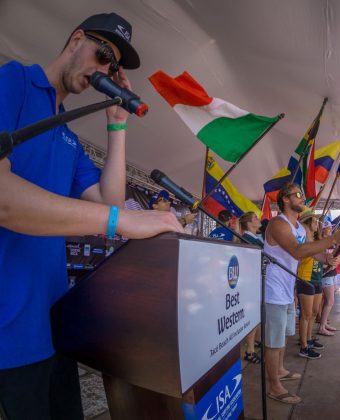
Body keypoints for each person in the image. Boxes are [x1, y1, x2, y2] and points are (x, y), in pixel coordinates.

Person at [0, 13, 183, 420]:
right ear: (75, 39)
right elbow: (4, 200)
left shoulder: (68, 136)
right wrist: (123, 223)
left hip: (54, 326)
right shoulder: (12, 80)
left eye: (112, 67)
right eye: (102, 56)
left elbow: (107, 200)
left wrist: (117, 126)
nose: (104, 70)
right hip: (8, 330)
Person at [262, 183, 340, 404]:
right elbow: (297, 251)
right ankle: (274, 386)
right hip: (272, 289)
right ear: (285, 199)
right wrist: (332, 239)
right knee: (273, 341)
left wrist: (328, 258)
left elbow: (312, 252)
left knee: (283, 334)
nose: (303, 199)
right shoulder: (277, 223)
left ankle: (280, 370)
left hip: (287, 287)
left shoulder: (301, 229)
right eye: (298, 195)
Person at [295, 211, 325, 359]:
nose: (317, 224)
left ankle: (309, 339)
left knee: (313, 312)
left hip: (317, 278)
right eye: (314, 222)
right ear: (307, 223)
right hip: (305, 278)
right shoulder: (303, 239)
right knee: (306, 315)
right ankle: (304, 346)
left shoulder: (314, 239)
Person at [239, 211, 263, 364]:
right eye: (255, 218)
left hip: (256, 279)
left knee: (256, 315)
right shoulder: (247, 239)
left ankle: (254, 342)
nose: (258, 219)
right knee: (252, 316)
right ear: (248, 223)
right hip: (251, 281)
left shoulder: (254, 238)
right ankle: (249, 350)